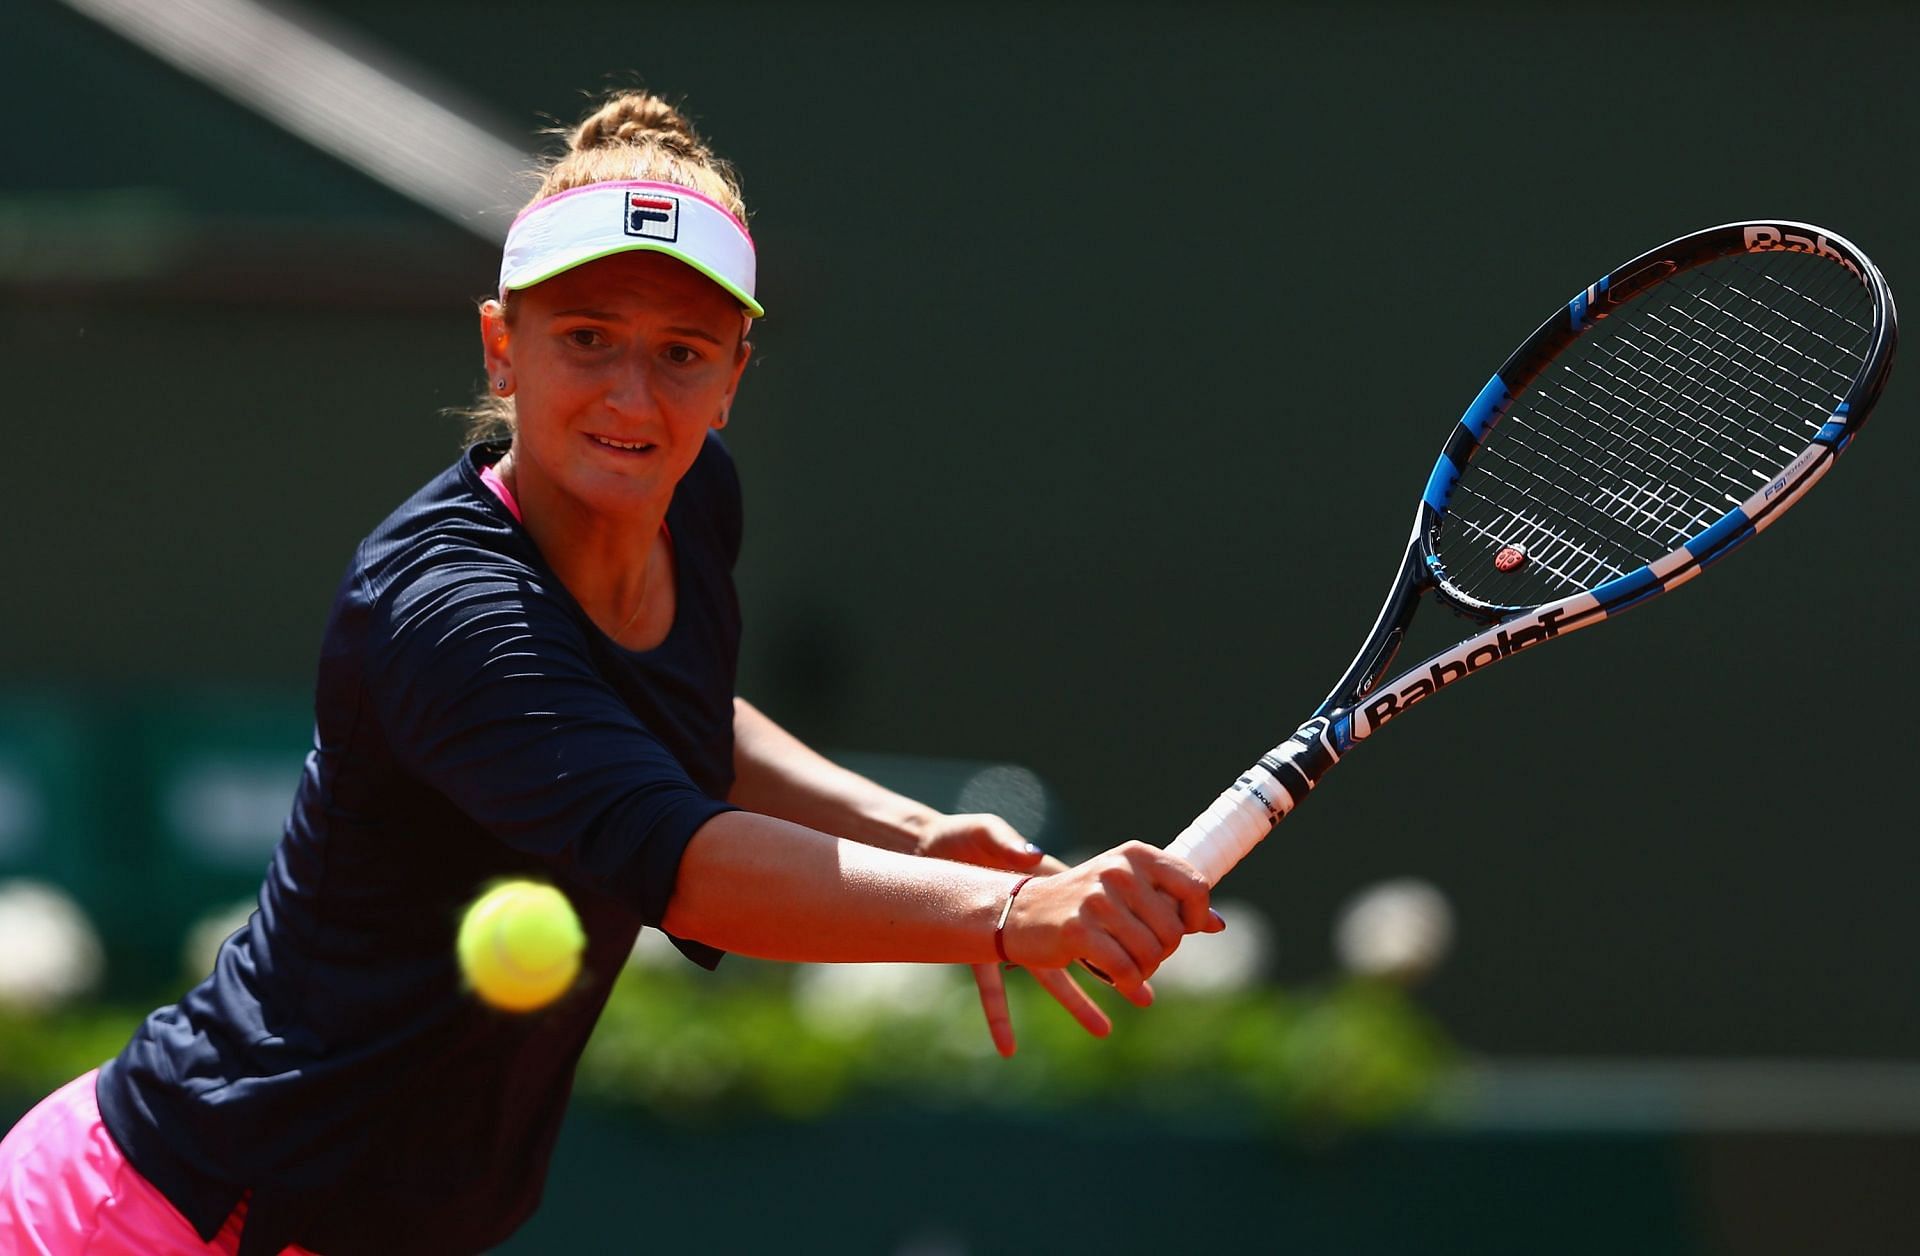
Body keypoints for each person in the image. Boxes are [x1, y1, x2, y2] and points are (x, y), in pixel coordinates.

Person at [0, 91, 1218, 1255]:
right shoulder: (446, 609)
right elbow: (677, 855)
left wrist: (908, 829)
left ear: (736, 373)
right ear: (502, 345)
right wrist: (1002, 917)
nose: (633, 395)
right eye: (587, 339)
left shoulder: (688, 504)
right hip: (162, 1217)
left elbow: (665, 719)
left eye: (683, 352)